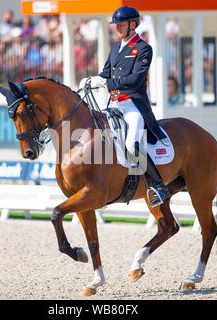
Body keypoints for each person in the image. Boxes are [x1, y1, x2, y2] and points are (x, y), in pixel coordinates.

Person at [83, 5, 170, 208]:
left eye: (121, 24)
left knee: (132, 145)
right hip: (114, 104)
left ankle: (158, 185)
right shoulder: (115, 47)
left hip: (133, 106)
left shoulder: (143, 48)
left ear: (133, 25)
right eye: (116, 25)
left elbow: (135, 79)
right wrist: (90, 81)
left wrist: (110, 83)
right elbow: (105, 73)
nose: (117, 28)